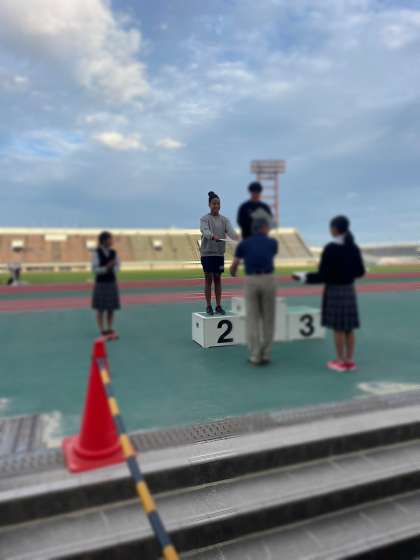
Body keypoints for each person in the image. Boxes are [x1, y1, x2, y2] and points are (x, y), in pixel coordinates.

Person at [292, 216, 365, 372]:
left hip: (334, 290)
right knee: (349, 327)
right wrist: (346, 274)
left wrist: (303, 277)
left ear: (335, 229)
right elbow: (360, 271)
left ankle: (340, 360)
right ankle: (349, 361)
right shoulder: (353, 247)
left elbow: (323, 275)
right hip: (349, 289)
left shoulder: (330, 248)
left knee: (338, 328)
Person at [230, 212, 278, 366]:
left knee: (252, 319)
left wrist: (233, 272)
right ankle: (266, 354)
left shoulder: (244, 244)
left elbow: (234, 265)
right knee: (268, 319)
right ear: (263, 227)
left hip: (251, 280)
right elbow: (270, 254)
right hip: (268, 279)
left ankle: (255, 355)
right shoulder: (272, 242)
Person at [200, 191, 238, 315]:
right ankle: (208, 305)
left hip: (219, 254)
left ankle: (218, 306)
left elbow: (231, 232)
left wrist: (238, 238)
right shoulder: (204, 219)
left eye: (218, 203)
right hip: (207, 254)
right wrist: (212, 236)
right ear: (209, 205)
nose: (216, 206)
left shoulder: (224, 220)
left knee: (218, 279)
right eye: (214, 203)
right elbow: (204, 231)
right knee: (208, 279)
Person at [92, 231, 121, 337]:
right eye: (110, 239)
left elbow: (118, 267)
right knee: (100, 309)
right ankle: (102, 330)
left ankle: (109, 328)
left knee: (111, 308)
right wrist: (106, 268)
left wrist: (113, 268)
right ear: (104, 241)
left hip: (111, 282)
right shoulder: (96, 253)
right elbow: (94, 269)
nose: (112, 241)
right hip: (101, 283)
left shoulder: (114, 252)